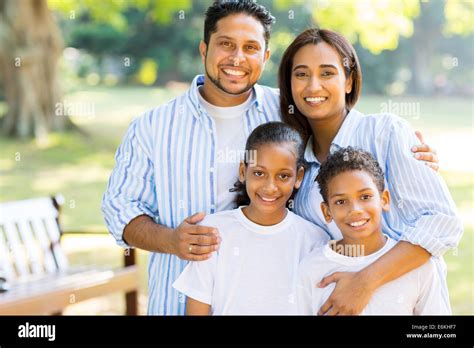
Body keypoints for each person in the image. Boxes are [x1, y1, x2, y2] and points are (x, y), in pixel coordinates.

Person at [101, 1, 438, 315]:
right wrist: (171, 240)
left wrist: (408, 155)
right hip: (177, 301)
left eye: (250, 48)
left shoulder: (289, 110)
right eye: (226, 44)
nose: (237, 58)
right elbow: (120, 208)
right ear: (204, 48)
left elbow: (346, 138)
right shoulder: (152, 126)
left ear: (264, 57)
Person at [279, 28, 462, 315]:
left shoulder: (386, 132)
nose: (313, 86)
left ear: (349, 81)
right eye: (301, 74)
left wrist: (365, 282)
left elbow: (443, 223)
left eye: (327, 73)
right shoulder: (296, 168)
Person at [173, 122, 329, 315]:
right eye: (259, 173)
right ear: (242, 171)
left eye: (283, 176)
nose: (270, 187)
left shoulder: (315, 240)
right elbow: (197, 309)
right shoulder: (213, 232)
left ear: (298, 177)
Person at [296, 147, 451, 315]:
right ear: (327, 212)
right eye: (341, 201)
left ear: (384, 200)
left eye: (365, 197)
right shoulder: (312, 269)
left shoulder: (419, 267)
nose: (355, 210)